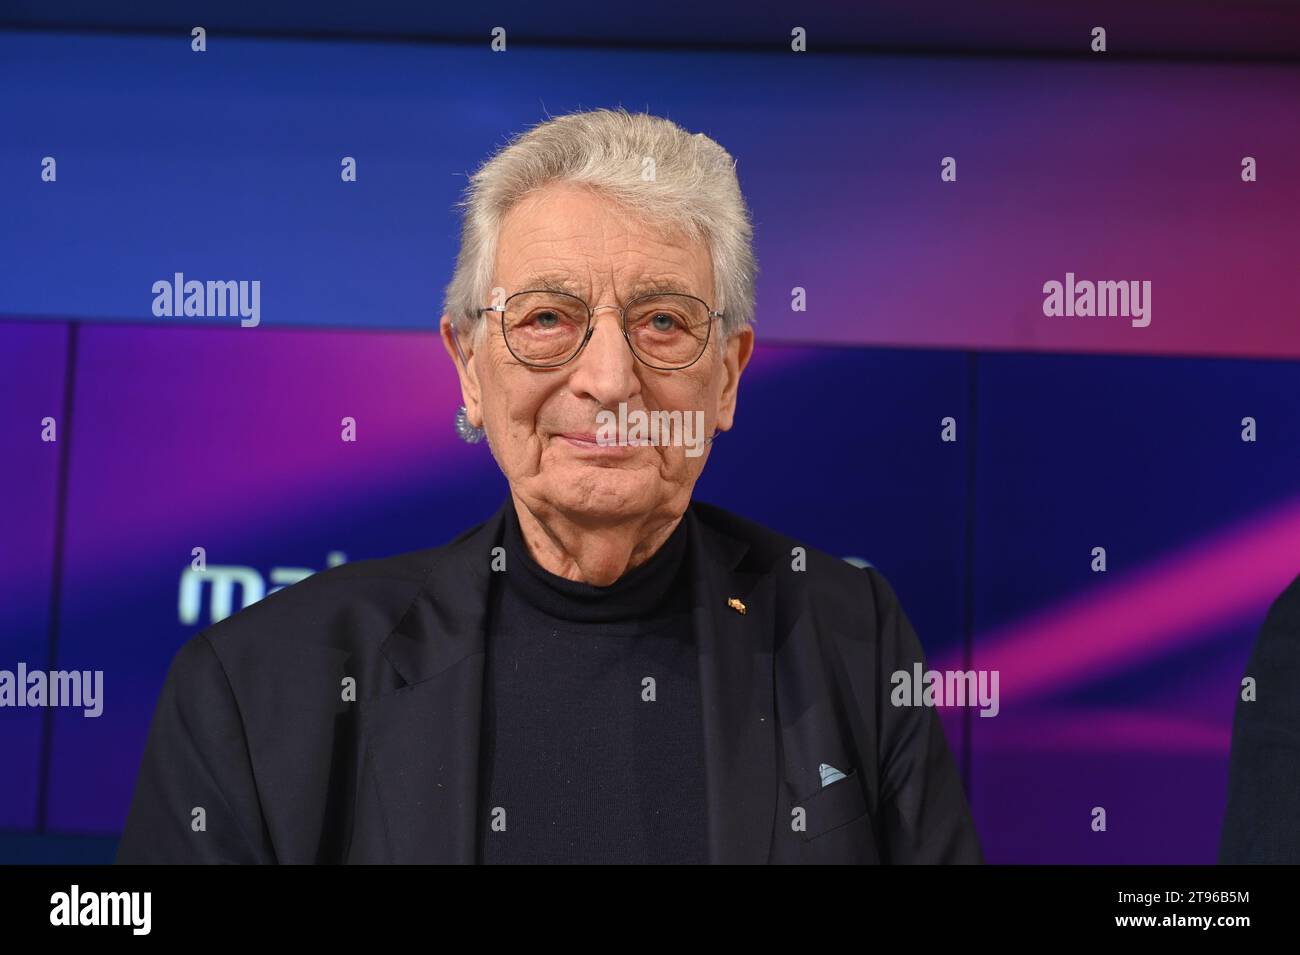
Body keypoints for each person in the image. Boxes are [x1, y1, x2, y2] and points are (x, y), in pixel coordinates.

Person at [117, 107, 981, 864]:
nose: (608, 378)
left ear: (727, 376)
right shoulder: (256, 684)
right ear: (467, 364)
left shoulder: (849, 634)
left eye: (664, 321)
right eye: (545, 318)